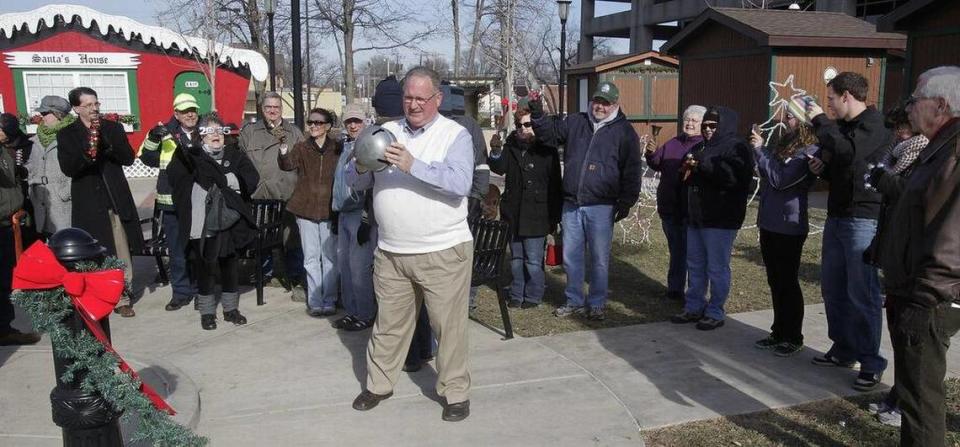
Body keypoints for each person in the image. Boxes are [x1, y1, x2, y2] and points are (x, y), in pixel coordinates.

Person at [347, 66, 474, 422]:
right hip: (391, 252)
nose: (413, 104)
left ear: (437, 98)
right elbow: (354, 183)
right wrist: (358, 165)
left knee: (448, 329)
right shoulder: (385, 133)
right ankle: (378, 384)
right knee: (388, 324)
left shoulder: (455, 135)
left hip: (442, 251)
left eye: (421, 98)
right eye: (408, 97)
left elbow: (460, 183)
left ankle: (455, 393)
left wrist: (412, 164)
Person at [879, 66, 960, 447]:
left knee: (921, 401)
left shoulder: (954, 149)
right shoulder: (939, 145)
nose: (909, 108)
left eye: (916, 100)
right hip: (916, 290)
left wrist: (926, 296)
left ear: (941, 105)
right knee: (914, 396)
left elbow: (953, 232)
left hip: (929, 297)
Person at [805, 71, 891, 391]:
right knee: (833, 287)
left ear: (846, 96)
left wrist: (819, 121)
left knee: (861, 292)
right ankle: (843, 348)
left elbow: (851, 154)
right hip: (837, 216)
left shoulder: (875, 125)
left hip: (863, 219)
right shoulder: (841, 128)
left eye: (831, 99)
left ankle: (871, 361)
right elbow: (840, 160)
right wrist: (822, 168)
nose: (827, 106)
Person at [530, 81, 643, 321]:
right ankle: (574, 300)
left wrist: (626, 202)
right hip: (571, 204)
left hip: (602, 206)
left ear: (616, 104)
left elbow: (632, 170)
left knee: (599, 259)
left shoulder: (624, 132)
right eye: (597, 101)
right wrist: (538, 113)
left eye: (606, 102)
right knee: (571, 257)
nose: (600, 106)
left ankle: (597, 303)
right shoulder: (575, 122)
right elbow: (549, 136)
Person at [863, 102, 929, 428]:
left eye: (902, 126)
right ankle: (898, 393)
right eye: (895, 127)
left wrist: (883, 180)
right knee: (897, 331)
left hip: (912, 260)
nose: (897, 132)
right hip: (892, 250)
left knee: (909, 338)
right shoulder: (898, 153)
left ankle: (906, 402)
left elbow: (911, 196)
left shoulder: (924, 152)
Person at [57, 87, 143, 318]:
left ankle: (123, 296)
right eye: (88, 105)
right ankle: (100, 295)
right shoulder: (67, 134)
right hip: (88, 200)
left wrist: (109, 146)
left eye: (96, 104)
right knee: (95, 251)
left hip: (113, 196)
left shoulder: (112, 128)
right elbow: (68, 168)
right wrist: (87, 155)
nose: (94, 109)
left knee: (120, 248)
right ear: (76, 108)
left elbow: (128, 157)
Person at [167, 114, 259, 330]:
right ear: (201, 136)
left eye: (219, 130)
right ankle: (207, 312)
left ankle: (230, 309)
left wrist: (227, 180)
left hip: (229, 220)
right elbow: (175, 179)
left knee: (229, 265)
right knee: (206, 267)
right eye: (210, 131)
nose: (216, 135)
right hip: (202, 222)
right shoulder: (191, 156)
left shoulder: (235, 155)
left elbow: (251, 179)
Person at [669, 106, 753, 330]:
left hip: (721, 219)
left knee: (716, 267)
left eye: (712, 126)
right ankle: (693, 306)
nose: (707, 129)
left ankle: (715, 310)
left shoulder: (738, 147)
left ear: (723, 126)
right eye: (704, 126)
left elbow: (733, 179)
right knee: (694, 264)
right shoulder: (700, 146)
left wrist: (702, 165)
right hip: (697, 217)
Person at [748, 111, 818, 354]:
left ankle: (793, 336)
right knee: (775, 280)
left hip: (789, 225)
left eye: (790, 115)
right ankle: (778, 332)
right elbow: (767, 175)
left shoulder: (809, 149)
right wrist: (761, 154)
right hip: (770, 222)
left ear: (802, 119)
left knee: (787, 281)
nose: (784, 120)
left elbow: (780, 180)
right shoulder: (783, 145)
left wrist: (760, 150)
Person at [489, 107, 561, 309]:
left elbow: (556, 185)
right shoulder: (511, 144)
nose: (523, 129)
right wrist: (495, 151)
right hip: (513, 211)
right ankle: (516, 293)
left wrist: (554, 217)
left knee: (533, 259)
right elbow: (499, 167)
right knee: (516, 259)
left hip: (538, 213)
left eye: (528, 124)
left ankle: (534, 294)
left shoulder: (547, 148)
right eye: (519, 125)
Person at [140, 93, 202, 311]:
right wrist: (153, 137)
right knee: (177, 251)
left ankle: (200, 290)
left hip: (198, 200)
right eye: (185, 111)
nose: (190, 114)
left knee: (199, 248)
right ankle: (181, 293)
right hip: (172, 201)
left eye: (193, 110)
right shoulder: (164, 132)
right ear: (176, 113)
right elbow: (146, 157)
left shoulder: (204, 130)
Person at [239, 92, 305, 292]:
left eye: (276, 107)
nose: (272, 111)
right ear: (262, 109)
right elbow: (240, 160)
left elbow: (303, 163)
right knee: (261, 237)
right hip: (258, 196)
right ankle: (264, 274)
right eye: (268, 107)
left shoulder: (293, 133)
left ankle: (294, 276)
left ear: (281, 109)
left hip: (286, 195)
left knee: (290, 239)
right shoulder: (250, 132)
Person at [279, 108, 341, 317]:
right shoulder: (302, 147)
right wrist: (283, 148)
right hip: (304, 208)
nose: (313, 126)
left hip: (329, 210)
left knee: (330, 257)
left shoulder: (338, 148)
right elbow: (287, 164)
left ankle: (330, 299)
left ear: (328, 126)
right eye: (310, 122)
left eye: (318, 122)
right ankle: (315, 301)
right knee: (311, 258)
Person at [644, 105, 705, 301]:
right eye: (687, 119)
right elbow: (656, 163)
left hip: (690, 209)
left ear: (702, 125)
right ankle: (675, 289)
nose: (689, 123)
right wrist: (651, 154)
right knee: (676, 250)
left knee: (692, 253)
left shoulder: (703, 146)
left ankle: (695, 294)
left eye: (694, 121)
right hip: (669, 207)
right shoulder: (673, 143)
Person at [332, 104, 377, 330]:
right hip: (343, 212)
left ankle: (366, 314)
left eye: (357, 121)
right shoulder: (344, 147)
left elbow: (372, 186)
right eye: (349, 121)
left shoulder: (370, 147)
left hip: (360, 213)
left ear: (365, 122)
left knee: (360, 268)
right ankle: (352, 311)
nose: (353, 125)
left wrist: (367, 220)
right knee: (345, 267)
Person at [0, 132, 41, 346]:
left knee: (6, 279)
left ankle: (4, 329)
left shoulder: (6, 150)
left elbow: (13, 179)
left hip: (9, 222)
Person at [26, 96, 75, 237]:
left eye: (45, 113)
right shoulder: (38, 138)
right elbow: (33, 164)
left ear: (58, 114)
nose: (42, 117)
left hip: (63, 202)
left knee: (67, 241)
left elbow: (79, 167)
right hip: (42, 202)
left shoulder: (71, 135)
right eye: (41, 114)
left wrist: (66, 192)